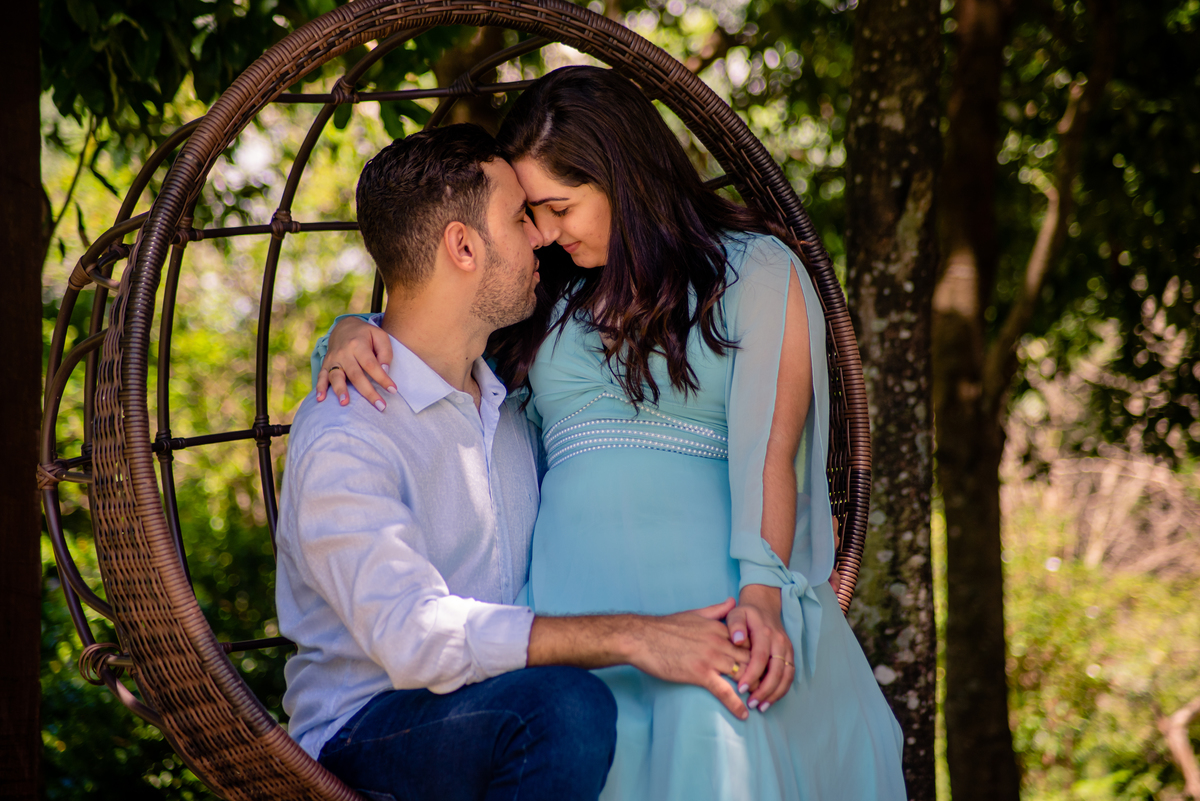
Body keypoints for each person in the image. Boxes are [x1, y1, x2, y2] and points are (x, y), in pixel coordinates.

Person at [317, 66, 906, 800]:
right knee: (579, 738)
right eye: (530, 214)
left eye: (559, 206)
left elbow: (770, 452)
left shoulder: (755, 271)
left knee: (716, 739)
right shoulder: (547, 293)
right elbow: (436, 336)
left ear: (621, 177)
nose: (546, 233)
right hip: (573, 612)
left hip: (712, 588)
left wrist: (761, 595)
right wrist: (349, 330)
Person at [277, 122, 762, 801]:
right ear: (463, 245)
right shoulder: (347, 434)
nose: (540, 235)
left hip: (497, 703)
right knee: (565, 706)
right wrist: (635, 636)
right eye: (518, 219)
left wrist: (348, 327)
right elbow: (414, 637)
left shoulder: (507, 403)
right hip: (366, 728)